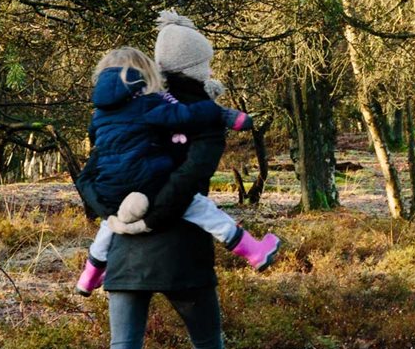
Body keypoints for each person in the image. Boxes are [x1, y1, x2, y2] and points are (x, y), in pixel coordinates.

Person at [76, 10, 266, 349]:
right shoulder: (198, 113)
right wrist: (150, 218)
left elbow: (90, 177)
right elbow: (186, 183)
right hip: (180, 252)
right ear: (198, 65)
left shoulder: (121, 110)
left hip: (124, 253)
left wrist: (115, 215)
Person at [74, 46, 281, 297]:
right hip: (149, 182)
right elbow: (182, 115)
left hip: (110, 187)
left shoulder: (99, 115)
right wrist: (216, 112)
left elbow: (97, 141)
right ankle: (254, 252)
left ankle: (88, 277)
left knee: (109, 224)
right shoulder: (146, 103)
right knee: (202, 208)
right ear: (143, 74)